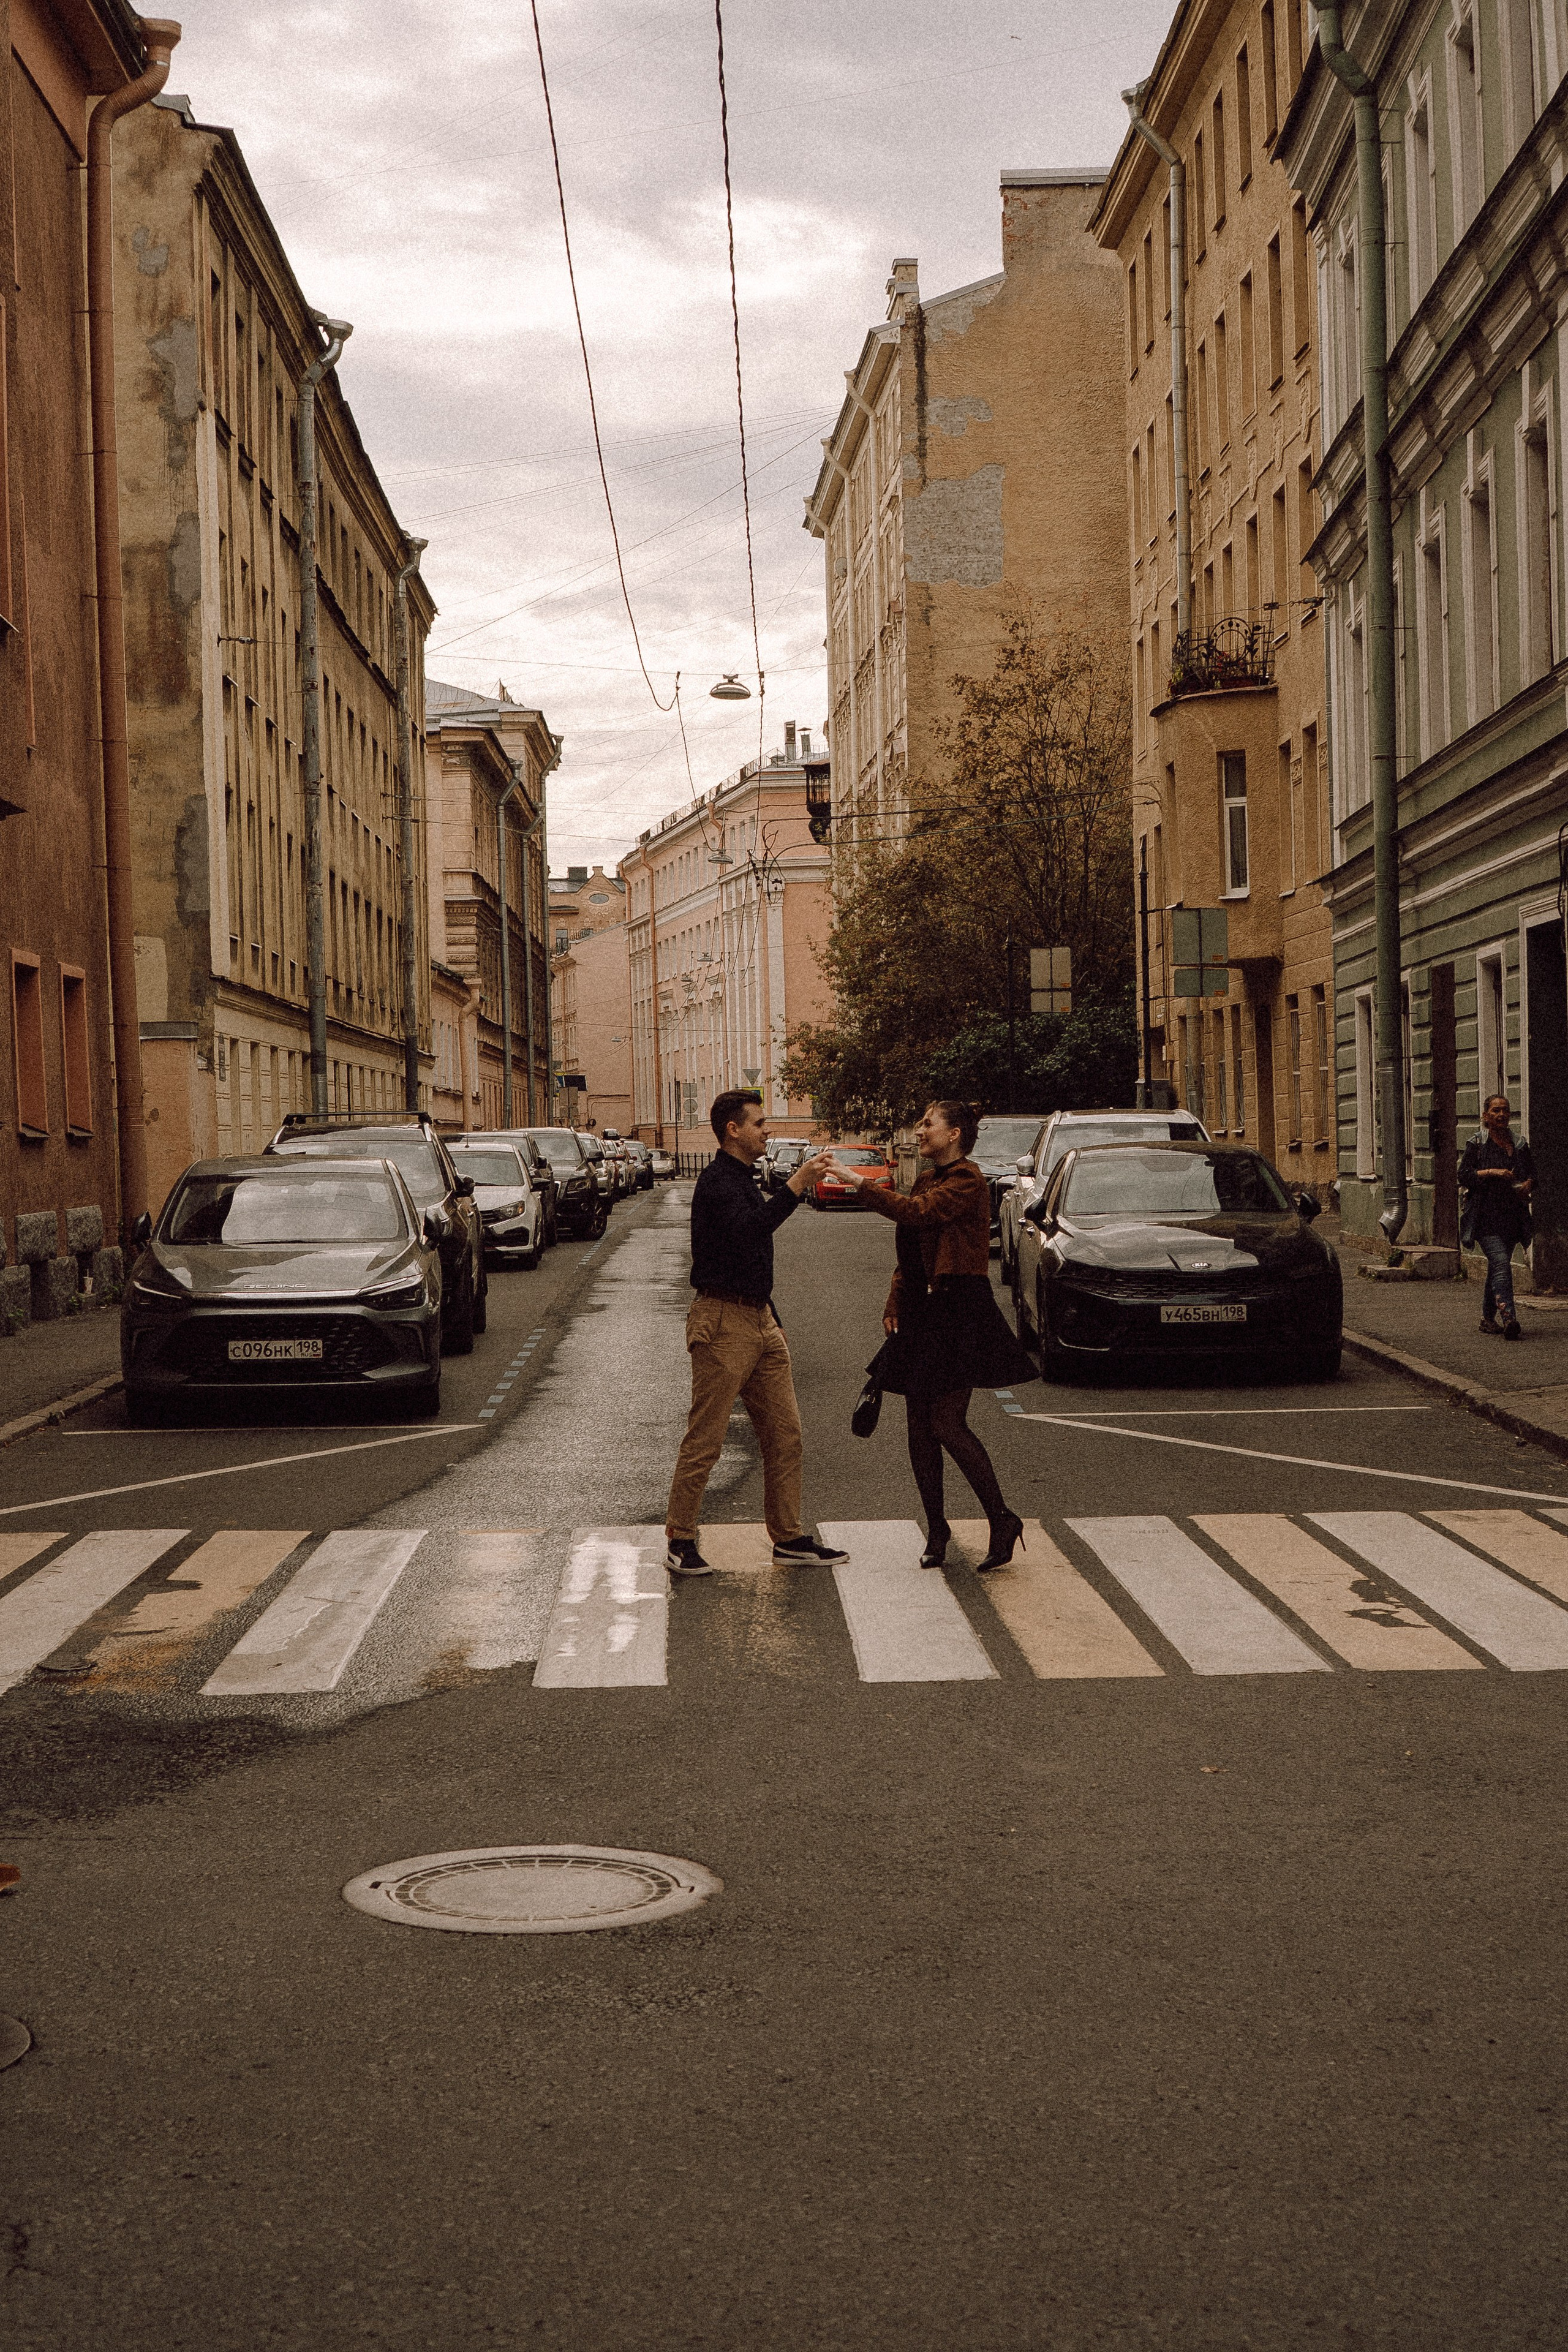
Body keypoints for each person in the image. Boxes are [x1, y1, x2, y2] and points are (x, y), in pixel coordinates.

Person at [834, 1099, 1037, 1570]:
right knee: (918, 1430)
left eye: (929, 1124)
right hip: (923, 1307)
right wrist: (895, 1295)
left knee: (947, 1423)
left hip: (958, 1307)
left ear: (954, 1136)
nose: (920, 1130)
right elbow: (912, 1247)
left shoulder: (967, 1180)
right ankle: (938, 1530)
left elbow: (919, 1214)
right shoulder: (928, 1178)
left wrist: (856, 1182)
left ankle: (1002, 1518)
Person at [663, 1090, 850, 1577]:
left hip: (760, 1320)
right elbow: (751, 1230)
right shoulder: (717, 1182)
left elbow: (752, 1250)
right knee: (706, 1437)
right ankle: (681, 1537)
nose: (767, 1130)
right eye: (760, 1123)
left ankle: (787, 1537)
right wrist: (796, 1184)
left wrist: (772, 1320)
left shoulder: (742, 1178)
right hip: (723, 1321)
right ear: (733, 1130)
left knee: (785, 1434)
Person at [1460, 1095, 1536, 1341]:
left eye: (1505, 1111)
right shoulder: (1477, 1144)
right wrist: (1492, 1172)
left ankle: (1487, 1319)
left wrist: (1528, 1184)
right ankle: (1510, 1318)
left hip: (1513, 1216)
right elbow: (1464, 1175)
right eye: (1495, 1111)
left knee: (1496, 1268)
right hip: (1485, 1216)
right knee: (1502, 1262)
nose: (1501, 1115)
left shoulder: (1519, 1144)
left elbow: (1533, 1174)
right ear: (1486, 1116)